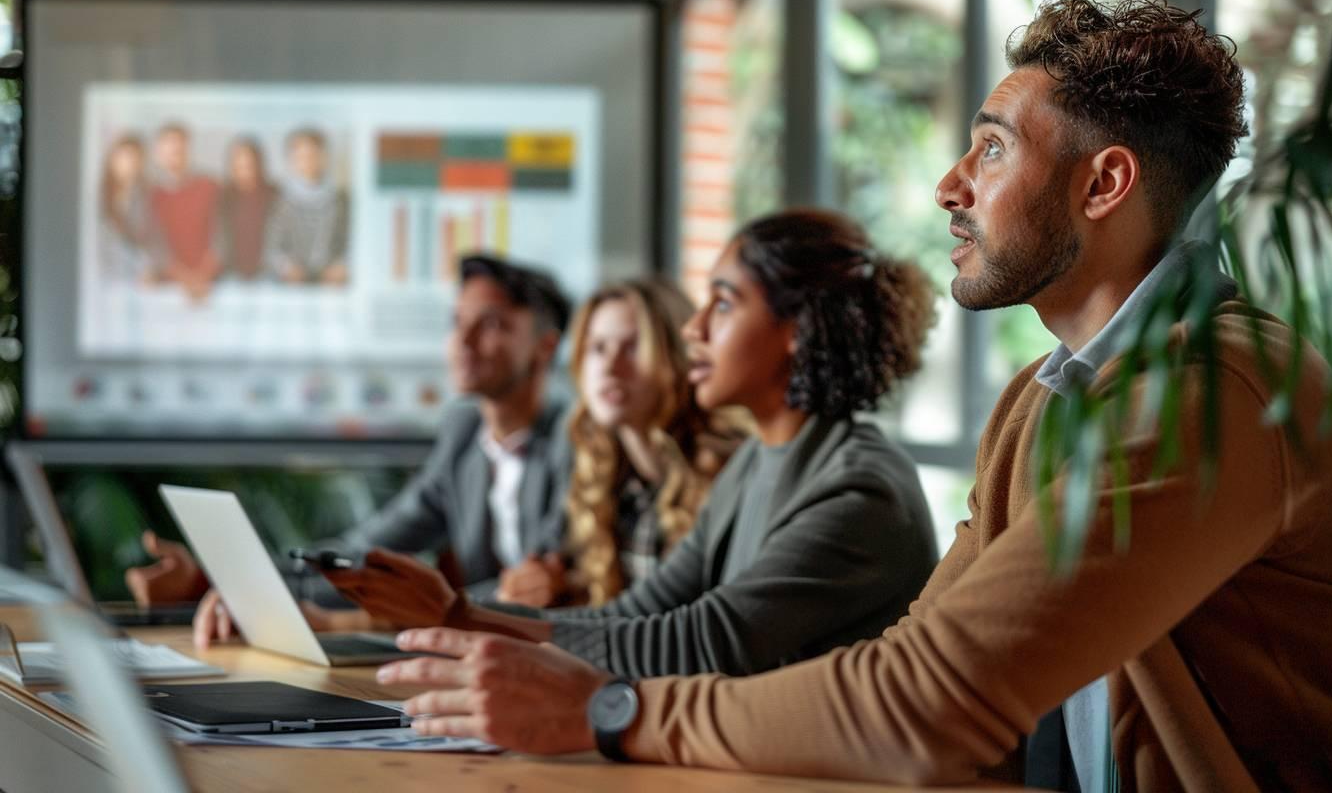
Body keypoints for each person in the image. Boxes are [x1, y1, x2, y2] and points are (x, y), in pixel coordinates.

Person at [370, 0, 1332, 792]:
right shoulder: (1038, 403)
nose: (950, 185)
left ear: (1105, 184)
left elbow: (928, 698)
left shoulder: (1216, 389)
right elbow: (919, 647)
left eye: (994, 147)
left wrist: (602, 709)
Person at [328, 207, 940, 680]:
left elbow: (700, 641)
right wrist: (460, 618)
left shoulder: (859, 487)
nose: (694, 328)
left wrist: (460, 618)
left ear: (798, 330)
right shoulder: (757, 461)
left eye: (723, 304)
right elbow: (640, 613)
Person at [124, 255, 575, 631]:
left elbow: (545, 587)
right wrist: (221, 580)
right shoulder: (464, 434)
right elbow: (364, 552)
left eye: (491, 324)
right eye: (457, 322)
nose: (463, 341)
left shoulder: (573, 441)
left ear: (545, 348)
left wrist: (441, 608)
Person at [495, 278, 747, 608]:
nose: (610, 368)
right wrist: (547, 586)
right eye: (598, 348)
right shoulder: (595, 465)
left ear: (676, 355)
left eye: (632, 347)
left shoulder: (731, 468)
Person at [144, 123, 221, 301]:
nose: (175, 156)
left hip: (211, 288)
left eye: (179, 150)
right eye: (169, 151)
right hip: (168, 292)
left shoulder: (210, 187)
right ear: (158, 154)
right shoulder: (152, 196)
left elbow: (221, 238)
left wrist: (203, 277)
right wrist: (186, 280)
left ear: (188, 150)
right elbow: (155, 247)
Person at [266, 127, 348, 285]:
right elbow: (272, 250)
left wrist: (341, 266)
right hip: (294, 285)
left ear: (324, 156)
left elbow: (350, 243)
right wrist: (286, 267)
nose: (307, 162)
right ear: (292, 161)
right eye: (301, 157)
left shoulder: (340, 199)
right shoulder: (281, 202)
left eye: (313, 155)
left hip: (331, 286)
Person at [217, 137, 276, 280]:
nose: (244, 168)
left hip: (268, 273)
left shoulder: (273, 194)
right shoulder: (223, 196)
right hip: (231, 274)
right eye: (239, 164)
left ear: (258, 163)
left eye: (249, 164)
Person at [97, 134, 151, 280]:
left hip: (134, 271)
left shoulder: (146, 196)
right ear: (112, 159)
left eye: (136, 157)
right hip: (103, 269)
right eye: (125, 156)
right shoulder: (98, 195)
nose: (130, 163)